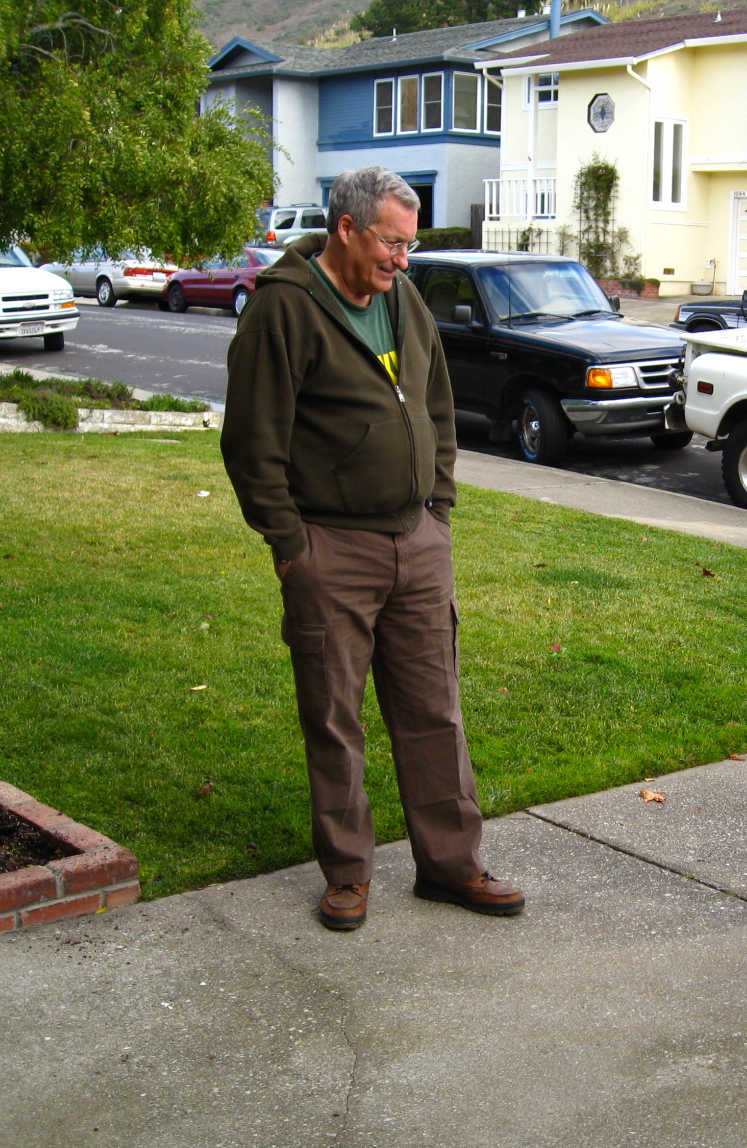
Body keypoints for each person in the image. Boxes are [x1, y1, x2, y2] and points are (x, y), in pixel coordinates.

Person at [221, 166, 523, 930]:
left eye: (409, 245)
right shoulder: (284, 310)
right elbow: (252, 444)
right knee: (334, 719)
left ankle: (451, 865)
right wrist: (293, 548)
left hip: (417, 541)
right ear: (348, 229)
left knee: (435, 711)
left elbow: (438, 408)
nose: (402, 259)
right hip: (331, 549)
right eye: (392, 243)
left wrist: (439, 508)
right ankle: (348, 871)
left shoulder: (405, 300)